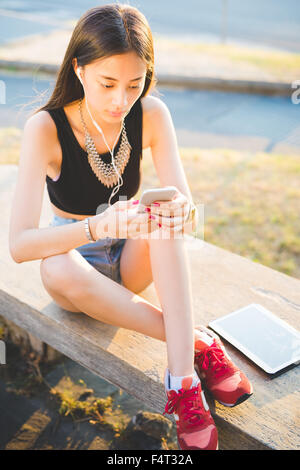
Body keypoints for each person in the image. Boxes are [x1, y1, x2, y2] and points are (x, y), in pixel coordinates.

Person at [8, 3, 252, 451]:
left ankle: (181, 383)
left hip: (135, 257)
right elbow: (20, 246)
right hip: (77, 265)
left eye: (134, 85)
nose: (121, 100)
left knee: (162, 217)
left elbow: (187, 210)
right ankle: (197, 340)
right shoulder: (45, 127)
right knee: (54, 268)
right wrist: (96, 228)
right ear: (79, 69)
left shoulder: (152, 115)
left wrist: (182, 211)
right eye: (107, 84)